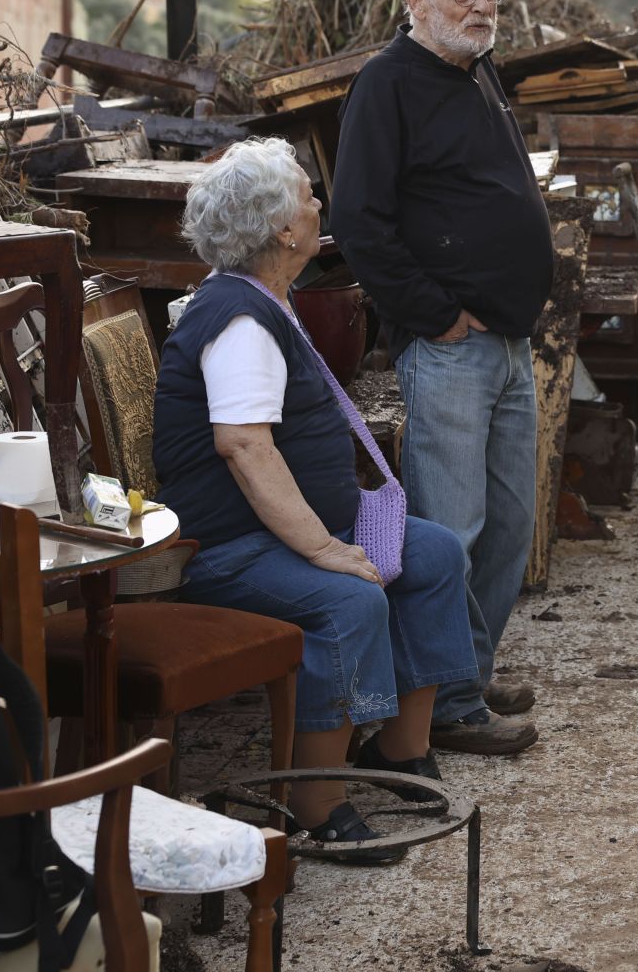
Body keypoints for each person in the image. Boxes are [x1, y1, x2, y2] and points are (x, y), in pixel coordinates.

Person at [155, 138, 479, 862]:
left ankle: (399, 751)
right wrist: (326, 548)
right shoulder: (239, 320)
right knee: (347, 600)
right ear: (281, 229)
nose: (317, 203)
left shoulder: (264, 299)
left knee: (432, 553)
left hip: (270, 536)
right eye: (306, 195)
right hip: (224, 551)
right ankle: (315, 802)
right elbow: (244, 446)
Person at [330, 0, 554, 758]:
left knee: (508, 526)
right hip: (453, 344)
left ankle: (468, 667)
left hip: (507, 338)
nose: (482, 5)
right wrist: (436, 315)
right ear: (414, 0)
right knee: (449, 530)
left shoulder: (479, 68)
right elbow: (358, 218)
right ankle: (448, 703)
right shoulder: (387, 85)